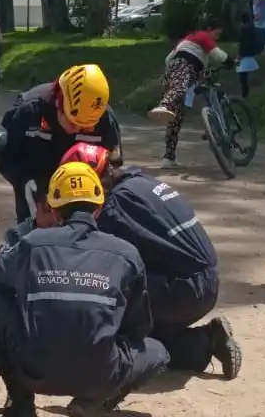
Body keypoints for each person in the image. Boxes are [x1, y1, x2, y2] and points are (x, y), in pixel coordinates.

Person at [0, 162, 169, 417]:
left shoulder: (32, 244)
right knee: (158, 351)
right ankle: (95, 404)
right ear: (99, 208)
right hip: (99, 372)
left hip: (31, 369)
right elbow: (138, 327)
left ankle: (21, 403)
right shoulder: (126, 254)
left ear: (53, 209)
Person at [63, 143, 242, 379]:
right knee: (153, 337)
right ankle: (207, 341)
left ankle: (111, 360)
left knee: (100, 290)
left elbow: (98, 253)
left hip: (183, 290)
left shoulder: (117, 204)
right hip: (203, 283)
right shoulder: (143, 182)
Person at [0, 63, 121, 223]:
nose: (77, 130)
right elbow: (6, 154)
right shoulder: (29, 110)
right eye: (73, 123)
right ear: (59, 103)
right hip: (38, 195)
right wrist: (23, 181)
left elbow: (114, 168)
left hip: (84, 202)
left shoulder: (104, 119)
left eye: (85, 128)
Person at [147, 18, 232, 168]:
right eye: (217, 34)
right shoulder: (202, 36)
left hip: (175, 69)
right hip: (184, 67)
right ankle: (164, 105)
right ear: (209, 29)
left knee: (176, 119)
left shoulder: (188, 40)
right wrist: (231, 61)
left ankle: (169, 158)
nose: (217, 38)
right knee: (179, 88)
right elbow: (219, 56)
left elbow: (168, 59)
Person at [236, 11, 263, 98]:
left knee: (242, 74)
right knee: (244, 73)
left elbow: (243, 43)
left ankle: (245, 92)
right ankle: (246, 91)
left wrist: (240, 54)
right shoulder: (253, 27)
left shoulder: (243, 29)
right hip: (252, 52)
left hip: (245, 54)